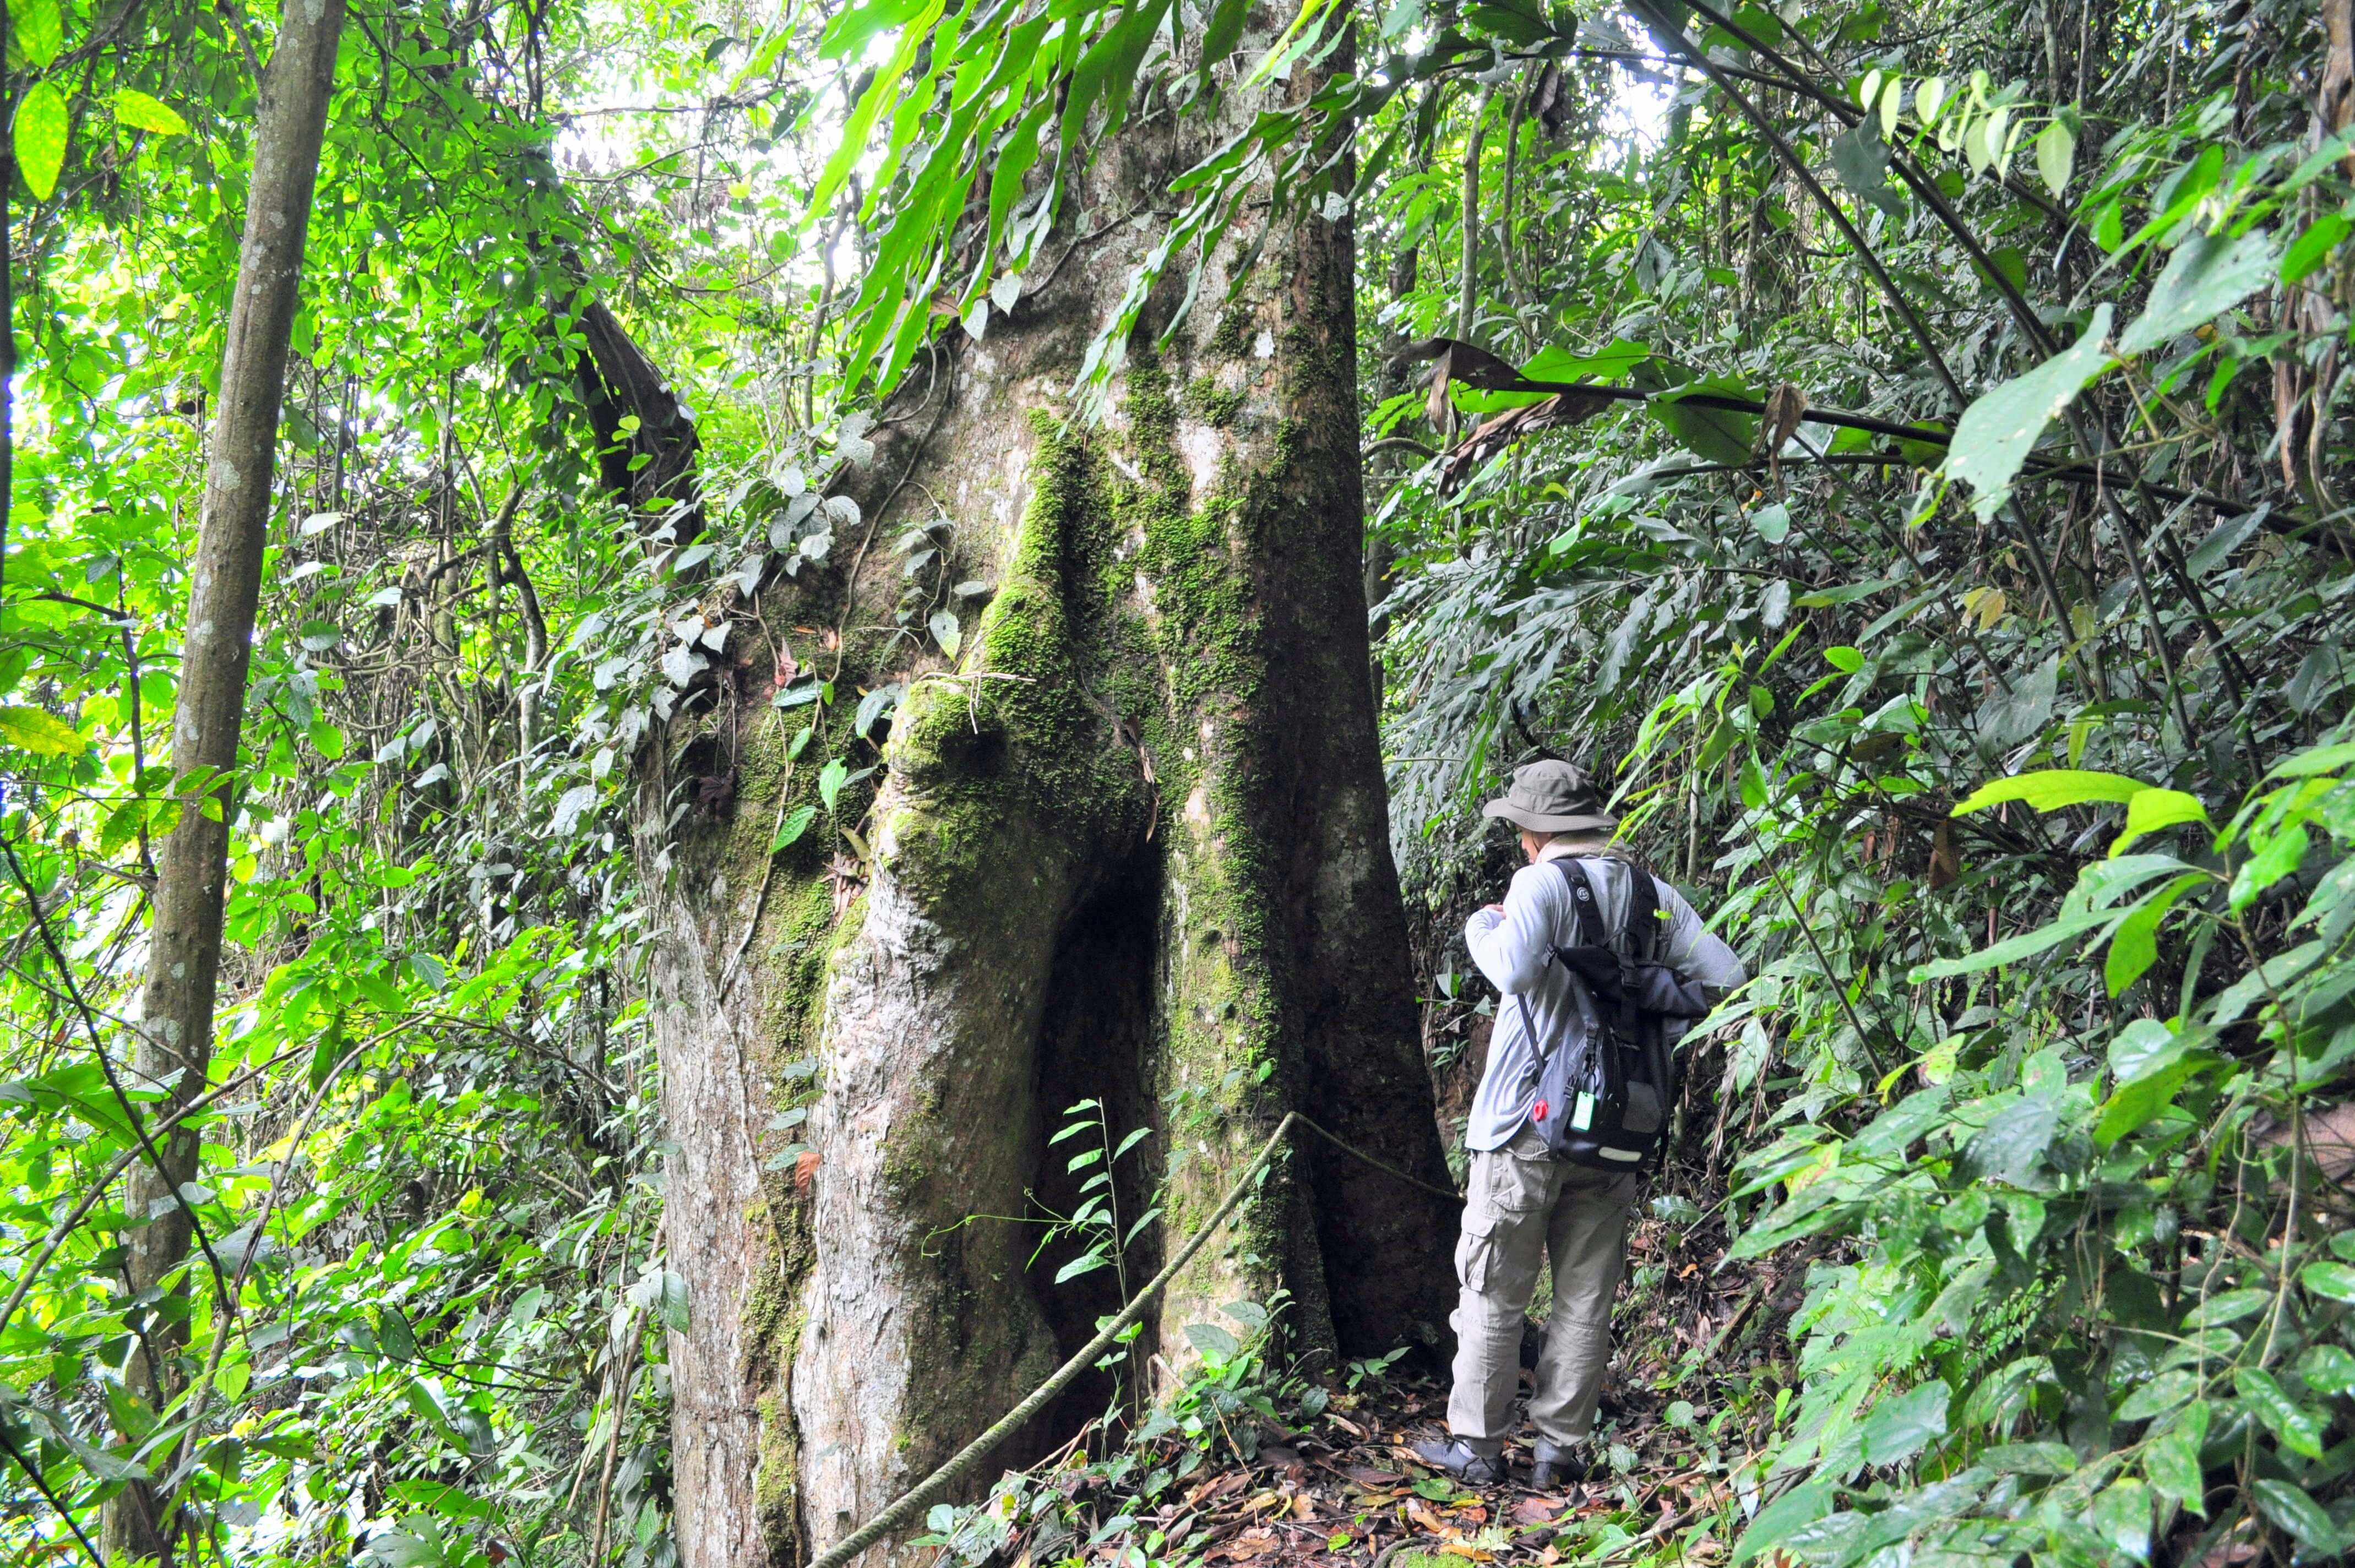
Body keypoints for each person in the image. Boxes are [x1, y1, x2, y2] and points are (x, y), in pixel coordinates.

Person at [1415, 759, 1745, 1489]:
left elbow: (1511, 971)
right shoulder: (1650, 894)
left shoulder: (1537, 884)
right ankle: (1558, 1451)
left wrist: (1482, 923)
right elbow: (1728, 977)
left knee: (1494, 1289)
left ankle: (1477, 1447)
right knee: (1585, 1293)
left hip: (1521, 1126)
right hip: (1618, 1123)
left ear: (1532, 835)